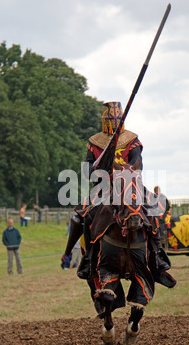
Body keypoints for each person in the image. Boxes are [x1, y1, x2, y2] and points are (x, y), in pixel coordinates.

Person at [62, 101, 172, 283]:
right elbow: (87, 170)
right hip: (104, 187)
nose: (114, 123)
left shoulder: (132, 140)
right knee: (81, 217)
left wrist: (124, 169)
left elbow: (138, 162)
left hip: (131, 184)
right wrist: (99, 168)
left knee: (154, 208)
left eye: (116, 119)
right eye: (110, 120)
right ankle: (89, 258)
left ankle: (157, 253)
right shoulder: (94, 142)